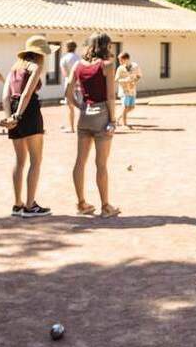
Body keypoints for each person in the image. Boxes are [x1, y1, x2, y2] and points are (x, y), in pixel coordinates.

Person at [0, 36, 58, 217]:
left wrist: (10, 117)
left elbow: (5, 96)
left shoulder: (13, 69)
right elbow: (27, 93)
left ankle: (17, 204)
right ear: (40, 54)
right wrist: (19, 115)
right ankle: (30, 205)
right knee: (35, 160)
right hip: (29, 111)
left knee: (19, 160)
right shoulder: (36, 67)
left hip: (13, 109)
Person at [65, 32, 121, 218]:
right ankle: (105, 206)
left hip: (85, 115)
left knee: (80, 161)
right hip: (102, 114)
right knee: (101, 164)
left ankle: (81, 203)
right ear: (106, 46)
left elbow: (68, 92)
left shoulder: (78, 65)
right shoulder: (107, 65)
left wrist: (79, 105)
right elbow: (111, 96)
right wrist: (113, 120)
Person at [60, 41, 82, 133]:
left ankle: (72, 128)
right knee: (81, 106)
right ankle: (81, 127)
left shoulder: (64, 59)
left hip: (69, 83)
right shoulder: (79, 58)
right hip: (80, 84)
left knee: (70, 107)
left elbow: (64, 73)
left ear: (67, 47)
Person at [115, 52, 142, 128]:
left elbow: (139, 76)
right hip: (124, 91)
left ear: (126, 59)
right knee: (125, 106)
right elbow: (116, 79)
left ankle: (118, 117)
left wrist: (135, 80)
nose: (120, 62)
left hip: (132, 89)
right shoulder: (120, 68)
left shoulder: (135, 66)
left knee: (132, 107)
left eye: (121, 60)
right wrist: (125, 80)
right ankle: (124, 124)